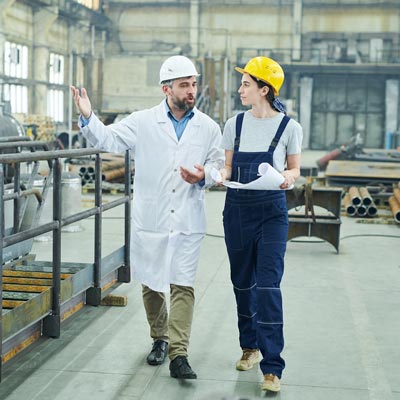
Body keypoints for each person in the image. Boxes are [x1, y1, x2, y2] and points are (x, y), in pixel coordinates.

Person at [71, 55, 224, 380]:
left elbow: (218, 166)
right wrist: (88, 116)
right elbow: (109, 139)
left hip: (187, 219)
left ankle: (179, 354)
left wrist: (204, 175)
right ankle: (160, 339)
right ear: (166, 88)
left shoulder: (208, 127)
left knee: (182, 284)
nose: (191, 90)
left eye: (193, 84)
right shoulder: (142, 121)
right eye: (185, 85)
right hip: (151, 218)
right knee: (153, 282)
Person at [218, 56, 302, 392]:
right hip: (236, 209)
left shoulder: (289, 127)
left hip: (271, 212)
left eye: (246, 84)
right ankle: (249, 347)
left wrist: (285, 177)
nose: (240, 89)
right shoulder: (233, 124)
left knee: (268, 285)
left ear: (264, 89)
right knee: (242, 283)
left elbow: (295, 169)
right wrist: (219, 175)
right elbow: (227, 166)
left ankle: (272, 367)